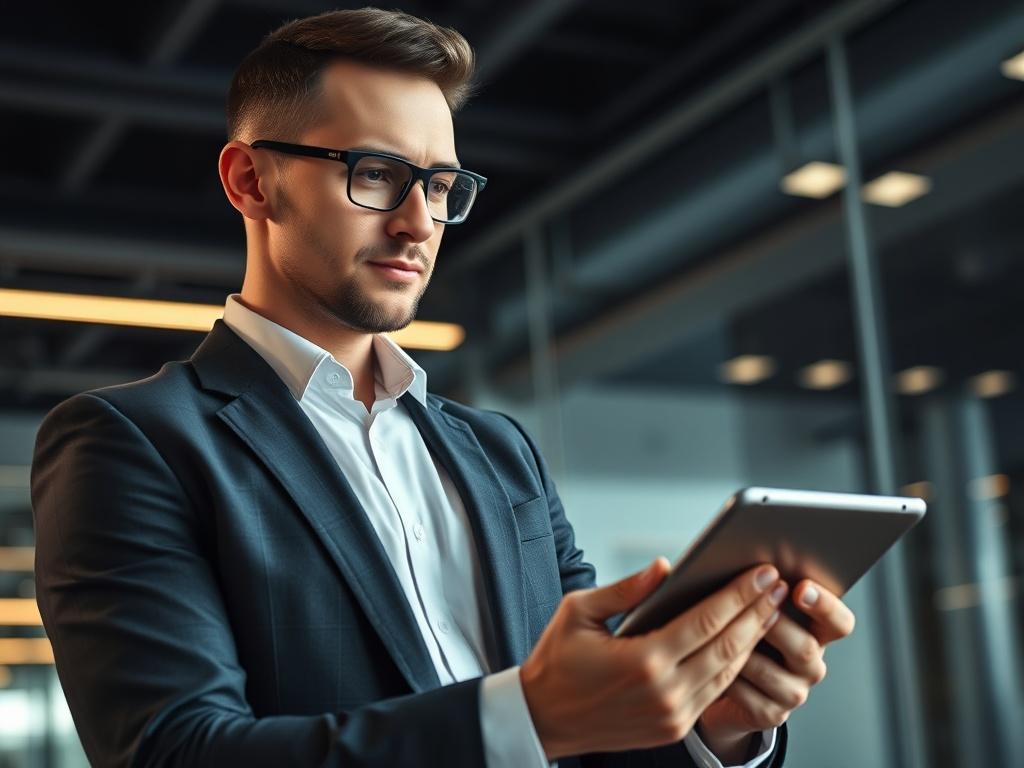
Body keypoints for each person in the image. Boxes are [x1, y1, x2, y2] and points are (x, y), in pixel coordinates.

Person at [31, 8, 855, 767]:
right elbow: (175, 753)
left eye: (437, 186)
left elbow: (598, 728)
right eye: (375, 173)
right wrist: (526, 717)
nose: (419, 222)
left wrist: (717, 724)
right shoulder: (130, 443)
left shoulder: (501, 452)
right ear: (251, 181)